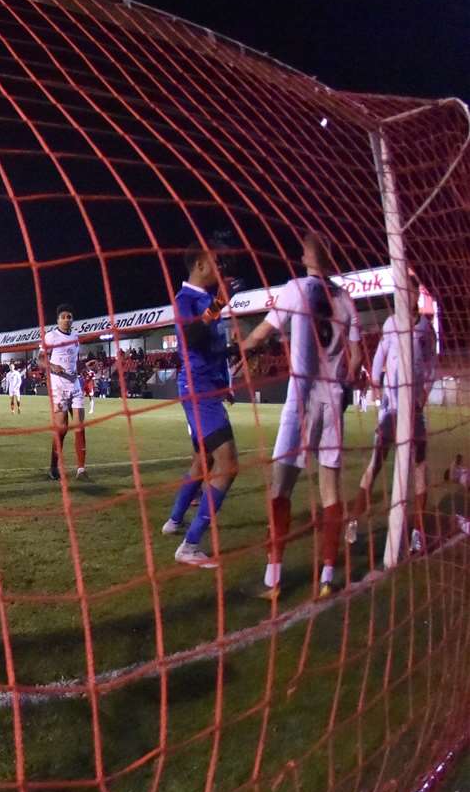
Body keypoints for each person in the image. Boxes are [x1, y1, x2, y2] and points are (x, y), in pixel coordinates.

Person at [238, 232, 362, 599]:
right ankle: (326, 577)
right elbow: (354, 361)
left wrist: (236, 345)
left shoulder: (296, 288)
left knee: (281, 487)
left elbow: (260, 334)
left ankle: (273, 580)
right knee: (329, 489)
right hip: (333, 398)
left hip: (302, 397)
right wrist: (343, 381)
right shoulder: (346, 299)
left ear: (306, 254)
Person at [161, 244, 239, 569]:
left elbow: (212, 344)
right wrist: (219, 305)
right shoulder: (186, 300)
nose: (219, 266)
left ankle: (175, 520)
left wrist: (225, 381)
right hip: (197, 388)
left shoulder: (205, 300)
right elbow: (191, 336)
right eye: (214, 262)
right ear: (199, 263)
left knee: (202, 460)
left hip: (208, 386)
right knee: (228, 464)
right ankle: (190, 545)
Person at [350, 276, 437, 550]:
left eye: (413, 293)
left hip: (414, 408)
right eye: (405, 292)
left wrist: (425, 392)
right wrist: (376, 385)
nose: (409, 297)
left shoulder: (426, 329)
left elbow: (432, 363)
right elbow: (379, 356)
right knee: (376, 463)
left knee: (420, 466)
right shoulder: (390, 324)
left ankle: (417, 534)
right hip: (392, 407)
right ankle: (353, 520)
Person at [42, 305, 88, 481]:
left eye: (70, 316)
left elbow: (73, 362)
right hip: (58, 387)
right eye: (64, 316)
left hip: (75, 385)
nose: (67, 319)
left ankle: (81, 470)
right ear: (58, 320)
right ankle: (53, 466)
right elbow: (40, 359)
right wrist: (53, 366)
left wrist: (84, 366)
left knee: (80, 426)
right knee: (62, 429)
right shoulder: (51, 336)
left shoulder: (76, 338)